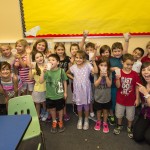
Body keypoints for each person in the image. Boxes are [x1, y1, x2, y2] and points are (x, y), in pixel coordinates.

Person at [66, 50, 97, 130]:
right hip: (78, 89)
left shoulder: (88, 65)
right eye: (76, 57)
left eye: (80, 58)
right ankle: (80, 119)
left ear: (84, 59)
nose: (78, 59)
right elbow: (67, 73)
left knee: (86, 105)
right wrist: (74, 78)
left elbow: (96, 71)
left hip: (86, 88)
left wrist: (93, 62)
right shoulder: (73, 67)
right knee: (79, 105)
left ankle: (86, 119)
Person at [113, 53, 141, 138]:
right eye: (127, 64)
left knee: (130, 116)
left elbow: (136, 87)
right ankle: (119, 125)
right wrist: (117, 78)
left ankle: (129, 127)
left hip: (131, 100)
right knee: (119, 114)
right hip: (120, 99)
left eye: (131, 65)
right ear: (122, 62)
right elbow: (118, 86)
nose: (129, 66)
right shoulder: (119, 73)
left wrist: (137, 99)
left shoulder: (135, 74)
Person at [39, 54, 68, 133]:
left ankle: (60, 121)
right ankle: (54, 121)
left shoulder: (61, 71)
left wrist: (65, 92)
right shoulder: (47, 72)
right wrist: (43, 72)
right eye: (49, 60)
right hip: (50, 95)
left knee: (60, 109)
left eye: (53, 60)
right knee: (52, 109)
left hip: (59, 95)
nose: (50, 61)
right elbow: (41, 81)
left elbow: (64, 81)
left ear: (58, 62)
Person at [109, 33, 130, 125]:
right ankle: (111, 114)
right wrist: (112, 69)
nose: (117, 53)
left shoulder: (123, 57)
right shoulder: (110, 59)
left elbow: (125, 50)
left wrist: (126, 40)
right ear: (112, 52)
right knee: (113, 100)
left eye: (119, 51)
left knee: (121, 100)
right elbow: (107, 68)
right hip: (113, 85)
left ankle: (120, 114)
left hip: (123, 84)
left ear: (121, 51)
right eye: (115, 51)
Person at [133, 62, 150, 145]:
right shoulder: (143, 83)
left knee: (148, 137)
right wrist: (137, 99)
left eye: (149, 70)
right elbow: (137, 89)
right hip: (146, 114)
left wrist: (146, 93)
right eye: (143, 70)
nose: (146, 72)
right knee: (137, 136)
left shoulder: (144, 89)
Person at [94, 57, 112, 133]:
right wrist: (101, 76)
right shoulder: (96, 73)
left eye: (105, 65)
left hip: (106, 98)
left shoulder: (110, 73)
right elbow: (95, 85)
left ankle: (105, 122)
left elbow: (109, 85)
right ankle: (98, 121)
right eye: (101, 65)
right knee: (98, 111)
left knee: (105, 111)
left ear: (108, 66)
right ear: (98, 66)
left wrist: (106, 76)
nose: (103, 67)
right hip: (98, 97)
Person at [54, 42, 70, 121]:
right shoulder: (54, 59)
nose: (60, 51)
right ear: (55, 50)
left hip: (64, 81)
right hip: (55, 82)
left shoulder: (67, 58)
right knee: (57, 97)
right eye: (58, 50)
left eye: (62, 49)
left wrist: (64, 74)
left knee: (64, 97)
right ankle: (57, 112)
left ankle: (64, 112)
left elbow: (70, 69)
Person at [28, 51, 47, 119]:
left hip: (46, 88)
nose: (39, 58)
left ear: (43, 57)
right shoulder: (34, 69)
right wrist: (30, 68)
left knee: (44, 102)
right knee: (38, 103)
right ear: (34, 60)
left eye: (41, 56)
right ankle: (37, 115)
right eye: (37, 57)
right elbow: (30, 78)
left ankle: (45, 113)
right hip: (38, 89)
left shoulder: (46, 66)